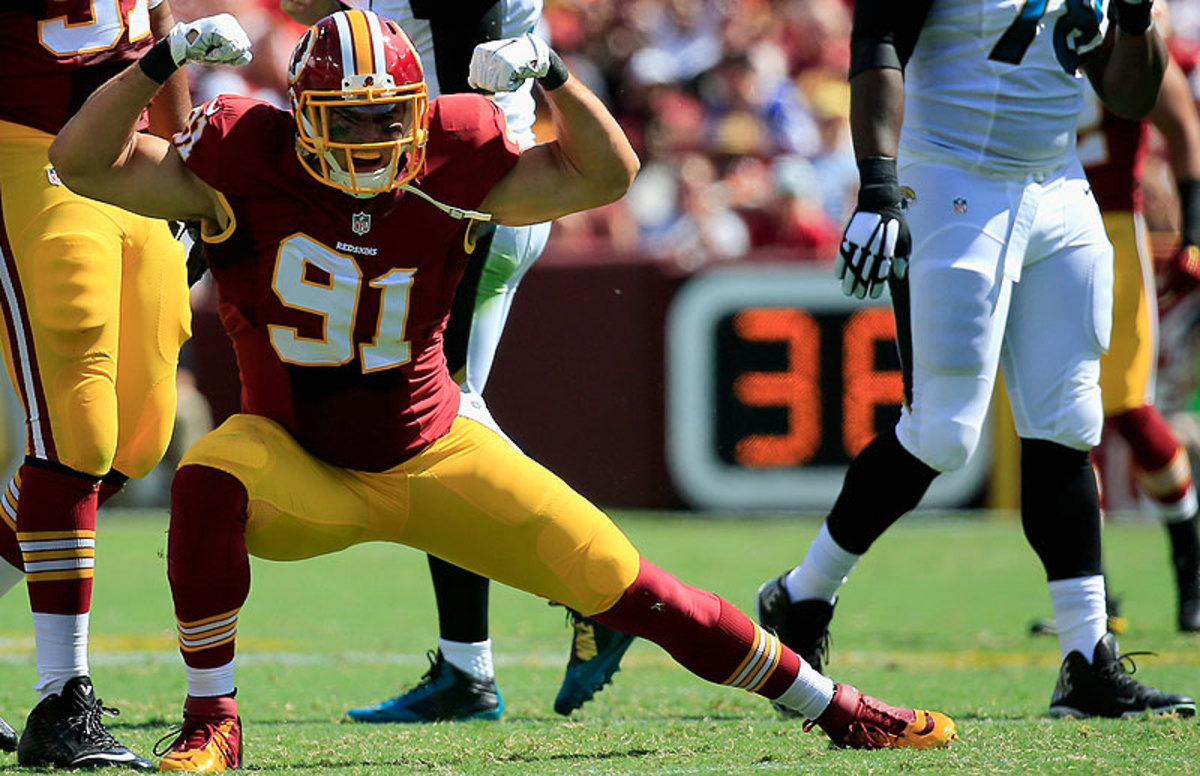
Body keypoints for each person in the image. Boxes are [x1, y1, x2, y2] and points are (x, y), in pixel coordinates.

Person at [51, 10, 959, 770]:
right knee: (210, 475)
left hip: (436, 446)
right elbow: (85, 163)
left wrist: (557, 75)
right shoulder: (247, 155)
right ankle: (215, 721)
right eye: (346, 117)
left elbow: (608, 174)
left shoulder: (457, 153)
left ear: (419, 110)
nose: (370, 136)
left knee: (636, 590)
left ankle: (834, 706)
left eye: (386, 116)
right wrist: (160, 60)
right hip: (297, 461)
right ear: (300, 116)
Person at [756, 0, 1198, 721]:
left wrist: (1135, 23)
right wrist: (876, 183)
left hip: (1059, 185)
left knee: (1069, 417)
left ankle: (1088, 658)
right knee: (943, 432)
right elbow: (878, 38)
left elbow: (1128, 96)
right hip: (951, 178)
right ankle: (804, 593)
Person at [278, 0, 634, 723]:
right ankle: (470, 665)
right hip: (471, 189)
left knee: (445, 425)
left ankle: (601, 591)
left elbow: (464, 79)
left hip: (469, 194)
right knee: (449, 422)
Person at [0, 0, 194, 769]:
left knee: (137, 437)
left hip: (129, 153)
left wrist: (184, 158)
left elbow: (153, 19)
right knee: (74, 432)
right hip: (25, 149)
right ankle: (62, 698)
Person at [1079, 45, 1200, 633]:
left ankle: (1191, 566)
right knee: (1055, 424)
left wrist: (1194, 230)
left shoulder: (1125, 22)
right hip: (1027, 214)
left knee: (1128, 406)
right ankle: (1085, 597)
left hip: (1109, 222)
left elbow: (1181, 122)